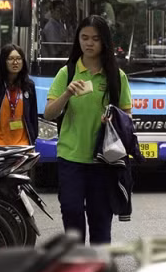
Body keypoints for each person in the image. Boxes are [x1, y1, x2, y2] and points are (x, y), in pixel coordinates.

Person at [44, 16, 132, 244]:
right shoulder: (67, 73)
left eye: (95, 38)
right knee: (71, 211)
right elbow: (49, 113)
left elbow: (127, 118)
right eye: (84, 38)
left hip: (103, 160)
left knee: (100, 219)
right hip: (70, 157)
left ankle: (99, 263)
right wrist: (67, 94)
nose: (89, 43)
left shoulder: (116, 77)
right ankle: (76, 260)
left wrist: (111, 121)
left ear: (104, 42)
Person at [0, 44, 38, 147]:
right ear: (3, 61)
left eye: (19, 59)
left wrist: (33, 137)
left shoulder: (29, 85)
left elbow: (33, 114)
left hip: (23, 145)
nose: (15, 62)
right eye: (10, 59)